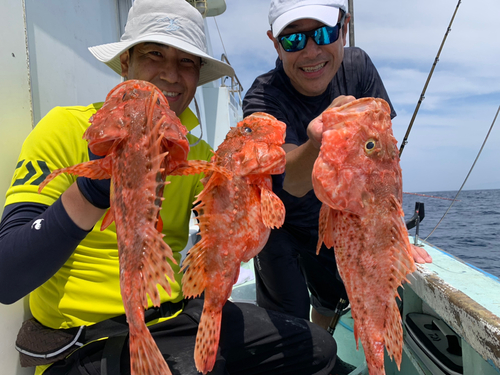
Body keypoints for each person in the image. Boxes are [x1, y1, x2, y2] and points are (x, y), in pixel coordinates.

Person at [0, 0, 343, 374]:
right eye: (154, 55)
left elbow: (234, 228)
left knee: (315, 348)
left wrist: (259, 180)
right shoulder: (65, 129)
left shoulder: (198, 155)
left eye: (186, 62)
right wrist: (94, 190)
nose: (170, 74)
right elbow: (8, 275)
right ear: (126, 63)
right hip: (87, 341)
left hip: (174, 320)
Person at [243, 0, 432, 332]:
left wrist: (395, 232)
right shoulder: (262, 97)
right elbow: (288, 180)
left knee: (330, 301)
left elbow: (384, 166)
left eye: (324, 32)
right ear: (275, 43)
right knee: (289, 318)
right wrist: (318, 140)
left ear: (343, 28)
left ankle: (326, 344)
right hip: (281, 224)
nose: (312, 51)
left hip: (339, 217)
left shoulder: (358, 67)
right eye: (293, 40)